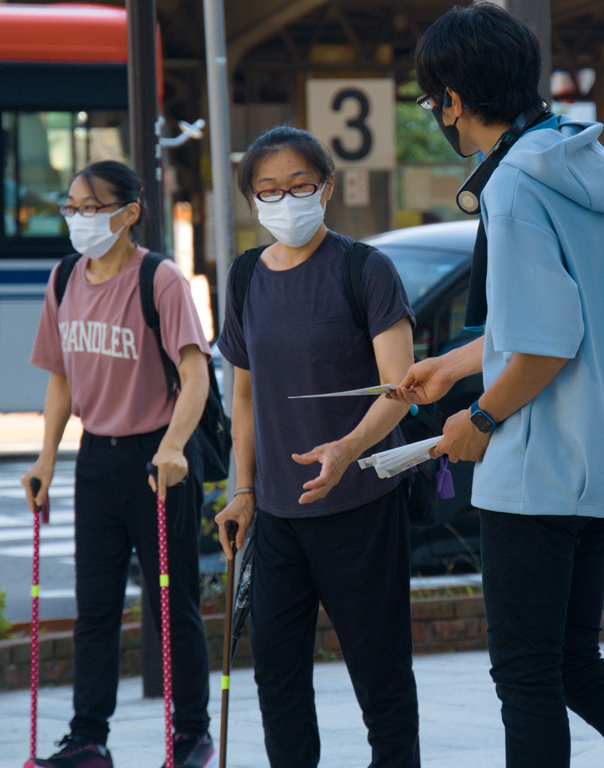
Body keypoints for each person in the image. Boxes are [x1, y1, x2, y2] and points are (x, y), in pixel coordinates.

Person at [394, 2, 604, 768]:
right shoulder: (572, 161)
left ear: (455, 101)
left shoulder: (510, 188)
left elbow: (546, 345)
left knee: (526, 675)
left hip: (537, 468)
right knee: (575, 666)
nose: (440, 117)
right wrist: (455, 366)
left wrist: (478, 420)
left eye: (435, 103)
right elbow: (561, 318)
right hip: (596, 460)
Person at [213, 125, 420, 768]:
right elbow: (243, 398)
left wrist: (348, 446)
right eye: (267, 190)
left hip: (360, 507)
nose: (285, 201)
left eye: (299, 186)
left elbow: (402, 388)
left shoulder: (365, 270)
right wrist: (242, 490)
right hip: (277, 517)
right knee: (276, 681)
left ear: (326, 187)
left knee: (379, 679)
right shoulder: (246, 276)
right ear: (251, 198)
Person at [21, 160, 217, 768]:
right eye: (71, 207)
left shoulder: (159, 279)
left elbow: (195, 374)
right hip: (96, 461)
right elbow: (60, 380)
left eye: (93, 207)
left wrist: (174, 445)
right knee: (95, 608)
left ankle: (191, 735)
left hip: (157, 460)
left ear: (129, 212)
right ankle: (88, 738)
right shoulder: (63, 280)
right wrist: (45, 458)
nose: (79, 219)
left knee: (172, 605)